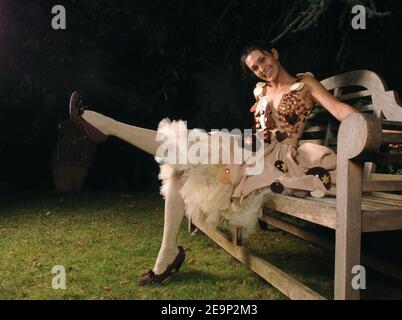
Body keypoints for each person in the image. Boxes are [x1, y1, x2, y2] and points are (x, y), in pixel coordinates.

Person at [68, 41, 360, 285]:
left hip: (280, 161)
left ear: (274, 53)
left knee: (189, 154)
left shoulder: (304, 83)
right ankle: (166, 254)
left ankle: (108, 127)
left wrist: (373, 129)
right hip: (253, 150)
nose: (261, 68)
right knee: (182, 166)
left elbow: (338, 109)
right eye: (254, 68)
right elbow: (258, 133)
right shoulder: (260, 92)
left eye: (262, 60)